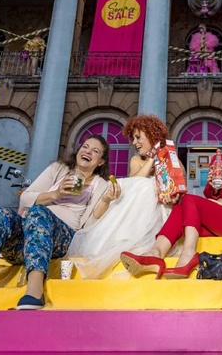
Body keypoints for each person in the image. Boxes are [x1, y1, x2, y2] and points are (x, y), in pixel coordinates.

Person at [0, 135, 121, 320]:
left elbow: (89, 227)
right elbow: (26, 198)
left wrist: (105, 200)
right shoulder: (58, 169)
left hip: (61, 241)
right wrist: (55, 194)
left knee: (38, 212)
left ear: (101, 161)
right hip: (27, 240)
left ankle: (34, 290)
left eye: (95, 151)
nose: (87, 151)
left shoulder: (101, 185)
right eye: (85, 146)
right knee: (0, 214)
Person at [120, 120, 222, 279]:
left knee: (188, 199)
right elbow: (209, 195)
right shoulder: (219, 159)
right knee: (181, 208)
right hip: (218, 218)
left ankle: (188, 253)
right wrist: (214, 188)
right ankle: (155, 253)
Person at [66, 114, 181, 278]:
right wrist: (153, 158)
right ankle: (125, 239)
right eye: (133, 138)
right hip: (136, 212)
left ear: (152, 135)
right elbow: (136, 181)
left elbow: (179, 187)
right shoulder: (136, 160)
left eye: (138, 137)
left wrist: (172, 195)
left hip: (163, 212)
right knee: (144, 186)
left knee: (149, 187)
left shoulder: (172, 160)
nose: (134, 142)